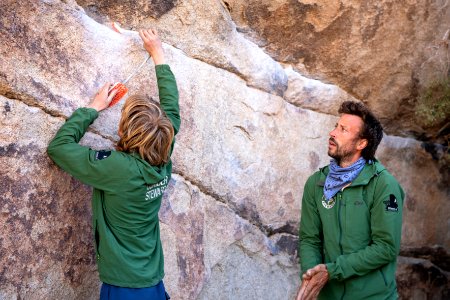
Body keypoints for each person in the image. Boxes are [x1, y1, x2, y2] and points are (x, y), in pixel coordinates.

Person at [47, 28, 179, 300]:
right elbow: (172, 109)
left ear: (125, 130)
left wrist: (92, 109)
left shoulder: (118, 168)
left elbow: (59, 148)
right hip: (152, 280)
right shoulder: (164, 149)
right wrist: (158, 54)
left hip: (125, 287)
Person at [296, 101, 404, 300]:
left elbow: (386, 247)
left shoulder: (383, 185)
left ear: (361, 144)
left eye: (343, 130)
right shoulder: (316, 183)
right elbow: (310, 239)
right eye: (336, 126)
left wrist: (333, 270)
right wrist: (312, 276)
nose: (332, 133)